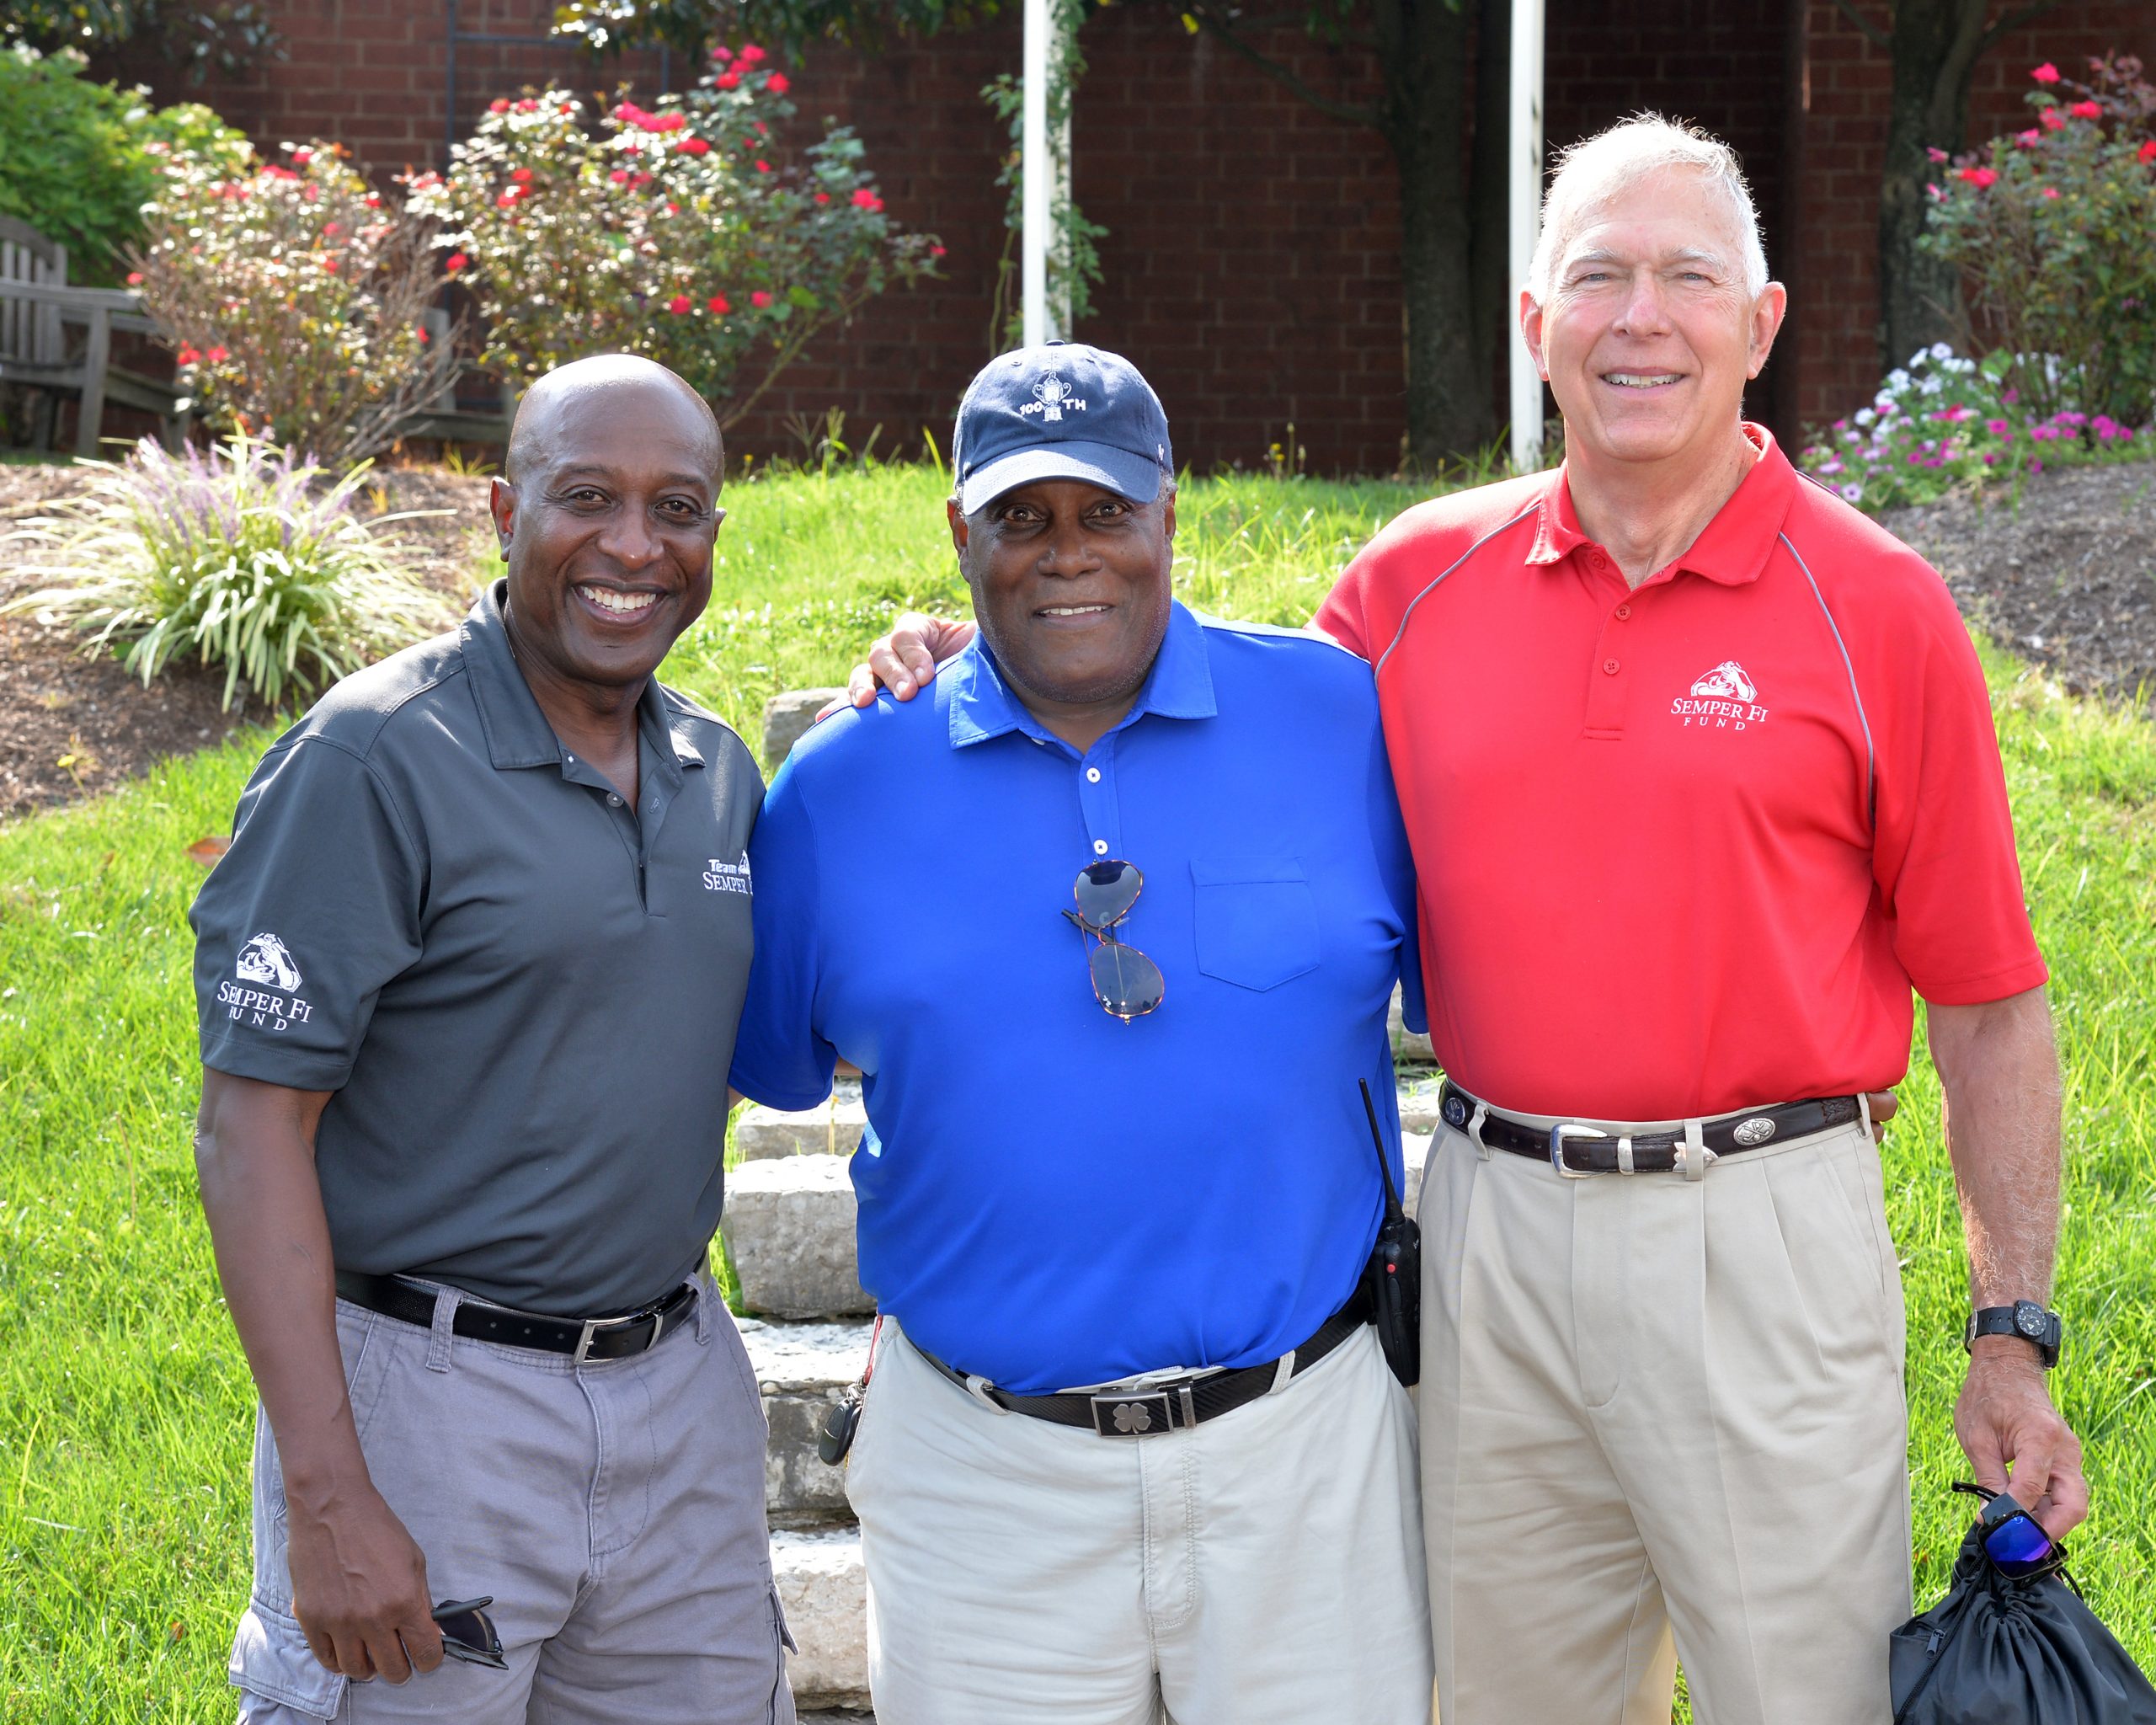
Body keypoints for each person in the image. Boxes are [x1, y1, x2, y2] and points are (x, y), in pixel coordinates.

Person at [846, 118, 2084, 1725]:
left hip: (1764, 1227)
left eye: (1688, 278)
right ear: (1536, 324)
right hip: (1492, 1223)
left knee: (1812, 1701)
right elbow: (1198, 738)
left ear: (1761, 323)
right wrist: (981, 659)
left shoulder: (1882, 610)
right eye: (1599, 278)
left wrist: (2014, 1332)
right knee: (1502, 1705)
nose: (1643, 319)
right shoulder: (1415, 580)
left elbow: (1990, 1004)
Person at [728, 341, 1434, 1724]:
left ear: (1173, 514)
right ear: (958, 535)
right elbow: (761, 1062)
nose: (1070, 557)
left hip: (1307, 1450)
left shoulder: (1341, 720)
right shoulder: (840, 789)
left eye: (1106, 512)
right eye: (1023, 519)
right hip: (988, 1475)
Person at [189, 355, 792, 1724]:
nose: (634, 547)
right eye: (588, 497)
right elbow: (250, 1130)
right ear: (502, 511)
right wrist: (329, 1492)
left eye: (679, 507)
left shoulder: (716, 775)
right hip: (430, 1405)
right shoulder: (373, 760)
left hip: (678, 1391)